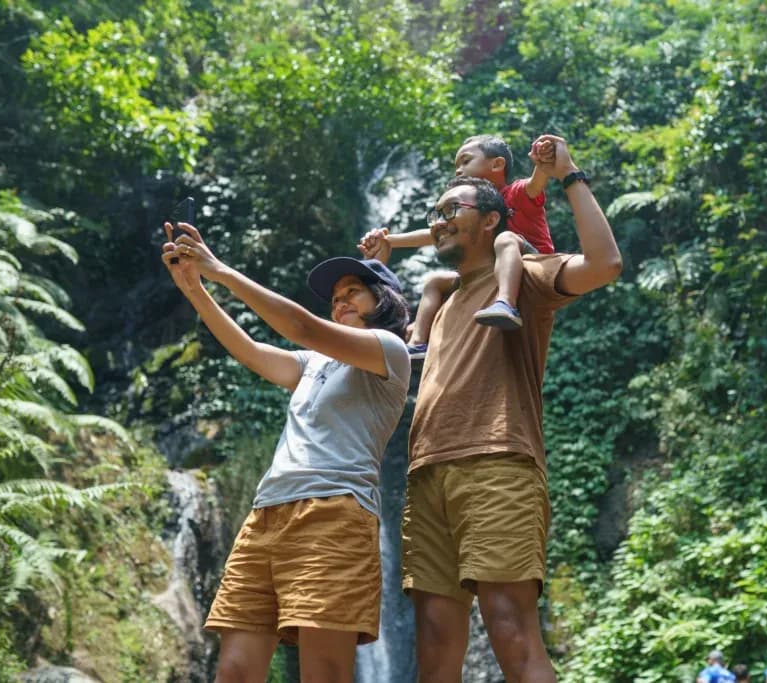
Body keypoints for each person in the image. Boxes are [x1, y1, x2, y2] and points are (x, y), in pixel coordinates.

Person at [372, 135, 620, 682]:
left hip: (497, 463)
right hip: (425, 476)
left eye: (451, 210)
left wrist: (570, 175)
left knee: (509, 628)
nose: (439, 221)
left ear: (490, 221)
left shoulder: (523, 278)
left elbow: (604, 264)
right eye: (435, 213)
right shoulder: (439, 300)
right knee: (434, 644)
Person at [161, 222, 412, 683]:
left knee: (325, 672)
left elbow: (299, 325)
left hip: (333, 513)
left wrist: (221, 270)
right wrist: (195, 289)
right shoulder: (314, 363)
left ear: (385, 301)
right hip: (265, 516)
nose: (341, 299)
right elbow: (253, 351)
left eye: (354, 290)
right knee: (233, 671)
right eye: (336, 295)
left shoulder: (390, 351)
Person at [359, 134, 557, 358]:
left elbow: (537, 182)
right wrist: (390, 240)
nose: (458, 170)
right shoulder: (472, 209)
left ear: (497, 164)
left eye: (465, 161)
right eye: (457, 165)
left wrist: (542, 162)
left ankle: (506, 303)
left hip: (535, 263)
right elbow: (436, 232)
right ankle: (417, 343)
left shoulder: (517, 193)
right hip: (491, 270)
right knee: (435, 282)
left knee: (506, 239)